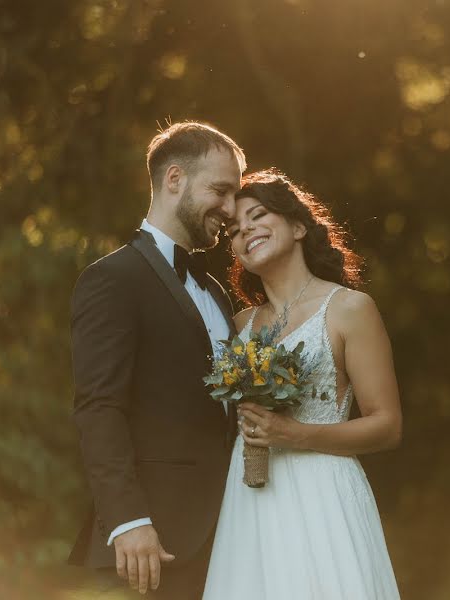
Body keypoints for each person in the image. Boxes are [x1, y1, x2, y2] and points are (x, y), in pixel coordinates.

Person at [203, 169, 403, 599]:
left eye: (258, 215)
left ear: (297, 226)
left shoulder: (349, 309)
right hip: (251, 501)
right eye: (235, 230)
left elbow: (387, 425)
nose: (246, 230)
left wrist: (294, 434)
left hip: (324, 494)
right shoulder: (236, 327)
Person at [68, 121, 245, 598]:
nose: (231, 211)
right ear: (174, 180)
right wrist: (128, 520)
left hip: (227, 536)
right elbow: (99, 406)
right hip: (151, 545)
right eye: (221, 191)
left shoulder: (214, 292)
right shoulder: (112, 278)